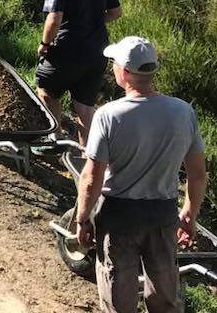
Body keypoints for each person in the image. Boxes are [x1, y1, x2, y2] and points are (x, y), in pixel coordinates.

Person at [77, 36, 206, 313]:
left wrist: (83, 218)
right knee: (165, 296)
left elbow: (91, 178)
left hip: (119, 216)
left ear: (123, 71)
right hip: (162, 214)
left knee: (118, 296)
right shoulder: (183, 112)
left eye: (114, 63)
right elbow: (197, 174)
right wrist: (189, 214)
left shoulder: (108, 115)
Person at [37, 0, 121, 144]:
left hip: (66, 52)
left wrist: (45, 44)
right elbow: (116, 12)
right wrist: (91, 21)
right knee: (84, 106)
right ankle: (89, 155)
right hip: (96, 53)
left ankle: (54, 137)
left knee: (47, 92)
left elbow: (54, 20)